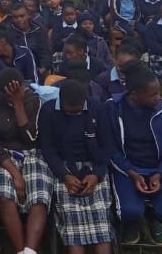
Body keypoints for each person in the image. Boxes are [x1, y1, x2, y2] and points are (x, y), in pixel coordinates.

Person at [103, 62, 162, 246]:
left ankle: (152, 217)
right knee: (129, 212)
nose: (159, 98)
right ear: (134, 95)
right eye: (153, 95)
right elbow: (110, 149)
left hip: (159, 168)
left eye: (159, 93)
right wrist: (131, 173)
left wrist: (160, 173)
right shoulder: (113, 108)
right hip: (128, 169)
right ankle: (134, 221)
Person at [0, 69, 51, 254]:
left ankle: (29, 251)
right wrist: (16, 175)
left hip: (31, 153)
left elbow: (31, 139)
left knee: (40, 198)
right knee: (5, 197)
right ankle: (21, 250)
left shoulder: (33, 100)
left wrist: (18, 104)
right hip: (2, 157)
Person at [40, 79, 112, 254]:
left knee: (101, 221)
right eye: (71, 112)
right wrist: (64, 175)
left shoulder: (98, 108)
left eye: (79, 111)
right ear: (61, 102)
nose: (76, 114)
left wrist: (97, 175)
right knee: (72, 219)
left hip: (94, 166)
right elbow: (48, 148)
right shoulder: (48, 111)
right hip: (63, 168)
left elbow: (107, 145)